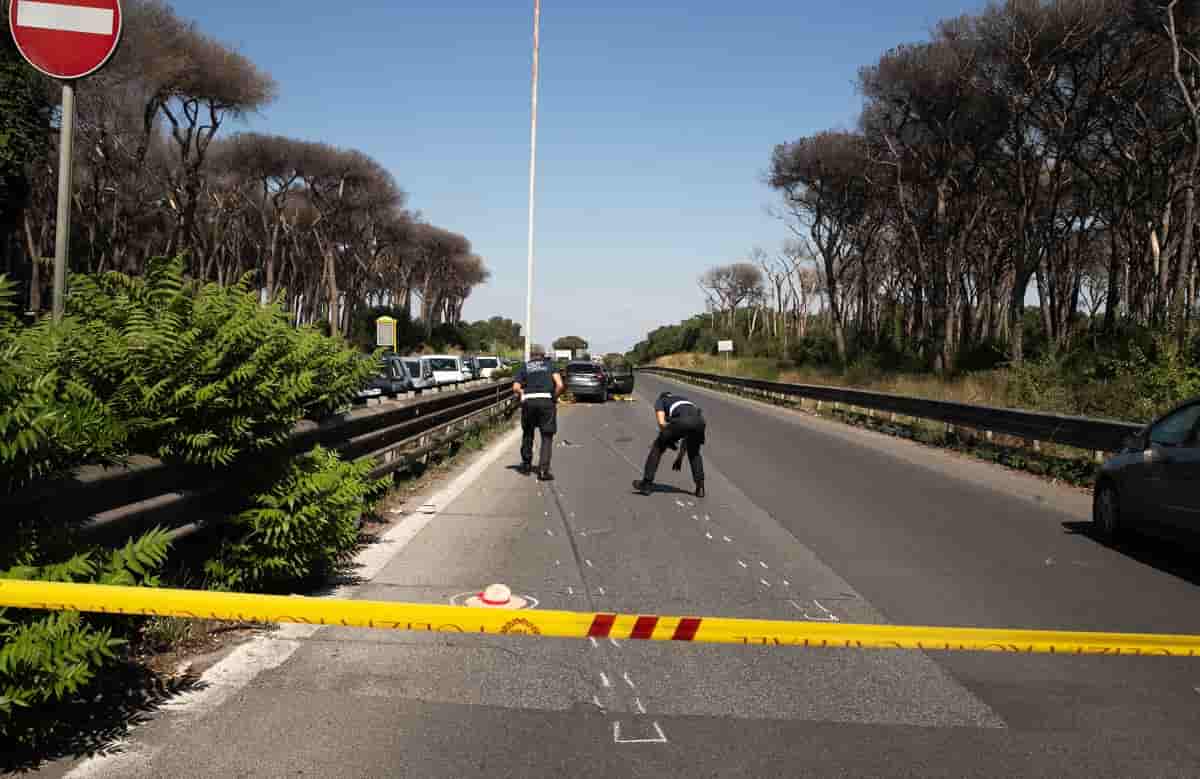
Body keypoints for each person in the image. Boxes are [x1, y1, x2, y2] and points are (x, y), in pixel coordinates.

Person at [632, 391, 706, 497]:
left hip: (682, 421)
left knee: (657, 447)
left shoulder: (661, 401)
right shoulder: (683, 399)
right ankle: (700, 487)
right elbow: (687, 437)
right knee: (694, 453)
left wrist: (667, 439)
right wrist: (679, 458)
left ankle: (646, 484)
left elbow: (662, 423)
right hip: (700, 421)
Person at [513, 345, 564, 480]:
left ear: (531, 355)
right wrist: (554, 397)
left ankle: (526, 465)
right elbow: (560, 385)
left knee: (528, 433)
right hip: (546, 402)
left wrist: (523, 392)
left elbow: (516, 387)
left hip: (529, 403)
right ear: (543, 355)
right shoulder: (550, 365)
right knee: (547, 436)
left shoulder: (524, 367)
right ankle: (543, 471)